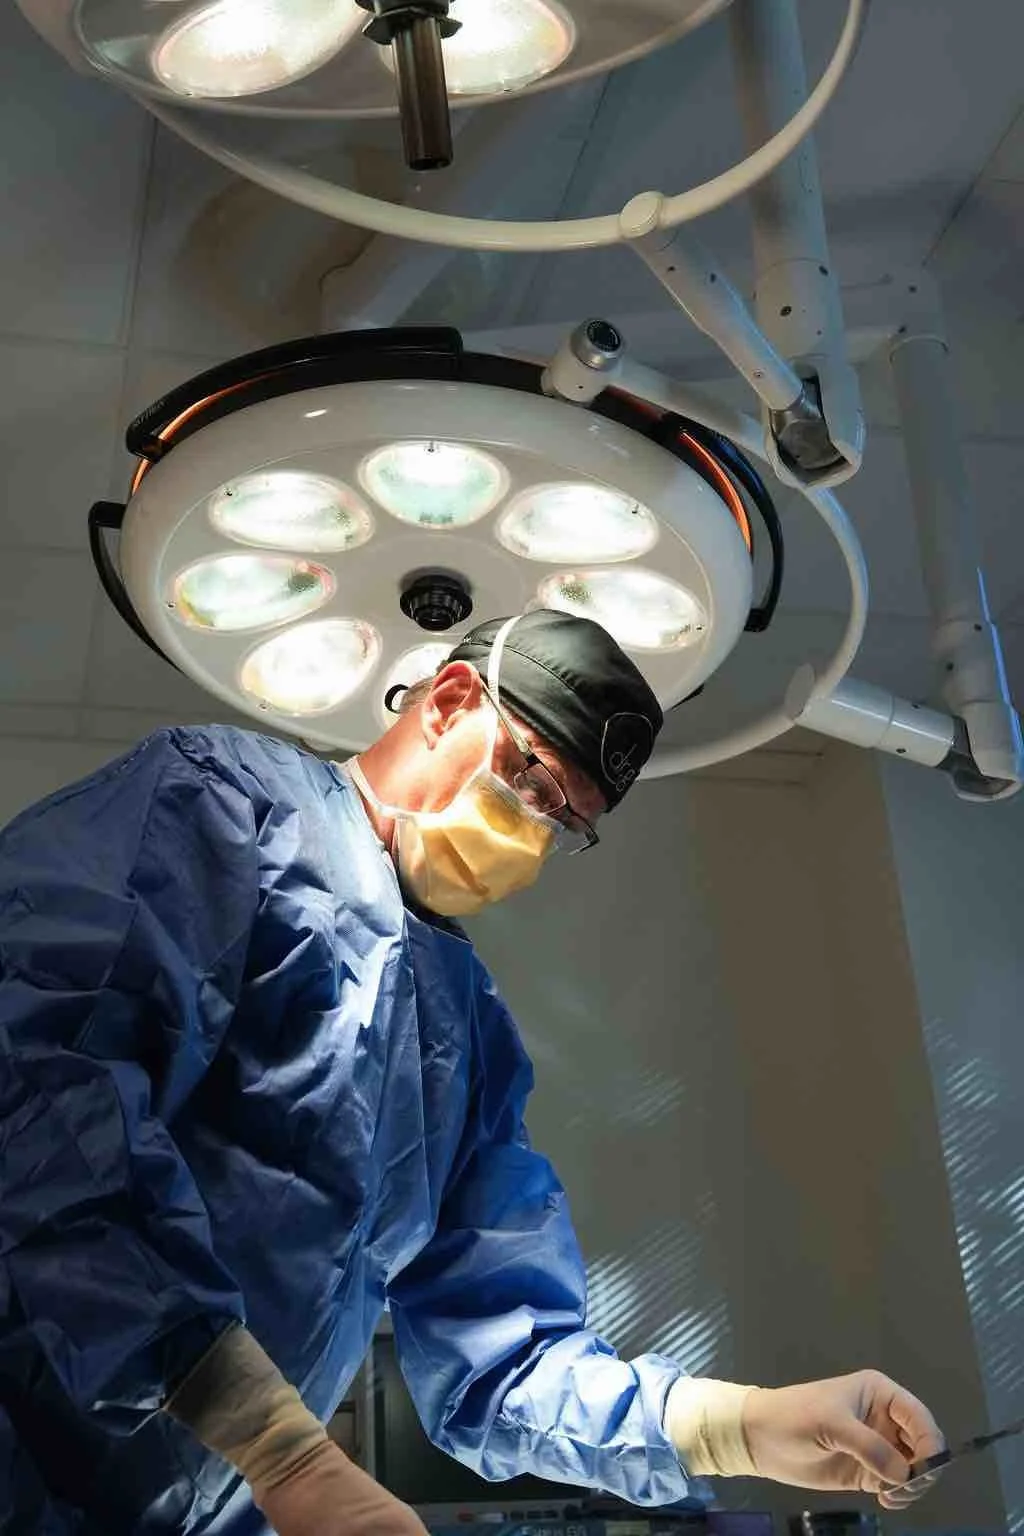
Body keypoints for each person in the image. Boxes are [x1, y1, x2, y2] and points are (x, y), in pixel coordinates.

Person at [0, 611, 943, 1535]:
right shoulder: (222, 805)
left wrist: (737, 1427)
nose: (531, 834)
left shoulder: (463, 1033)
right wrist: (279, 1449)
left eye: (565, 823)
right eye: (531, 781)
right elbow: (42, 1100)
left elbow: (502, 1356)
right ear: (450, 702)